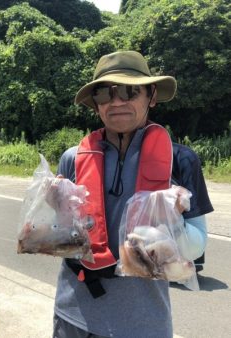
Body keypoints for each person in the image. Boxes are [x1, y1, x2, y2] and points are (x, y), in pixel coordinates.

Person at [52, 51, 214, 338]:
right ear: (95, 104)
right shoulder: (72, 159)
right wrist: (58, 210)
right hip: (73, 315)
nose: (117, 102)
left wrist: (171, 222)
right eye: (105, 93)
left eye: (130, 91)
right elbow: (64, 240)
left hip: (144, 323)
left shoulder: (181, 160)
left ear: (151, 95)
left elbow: (196, 248)